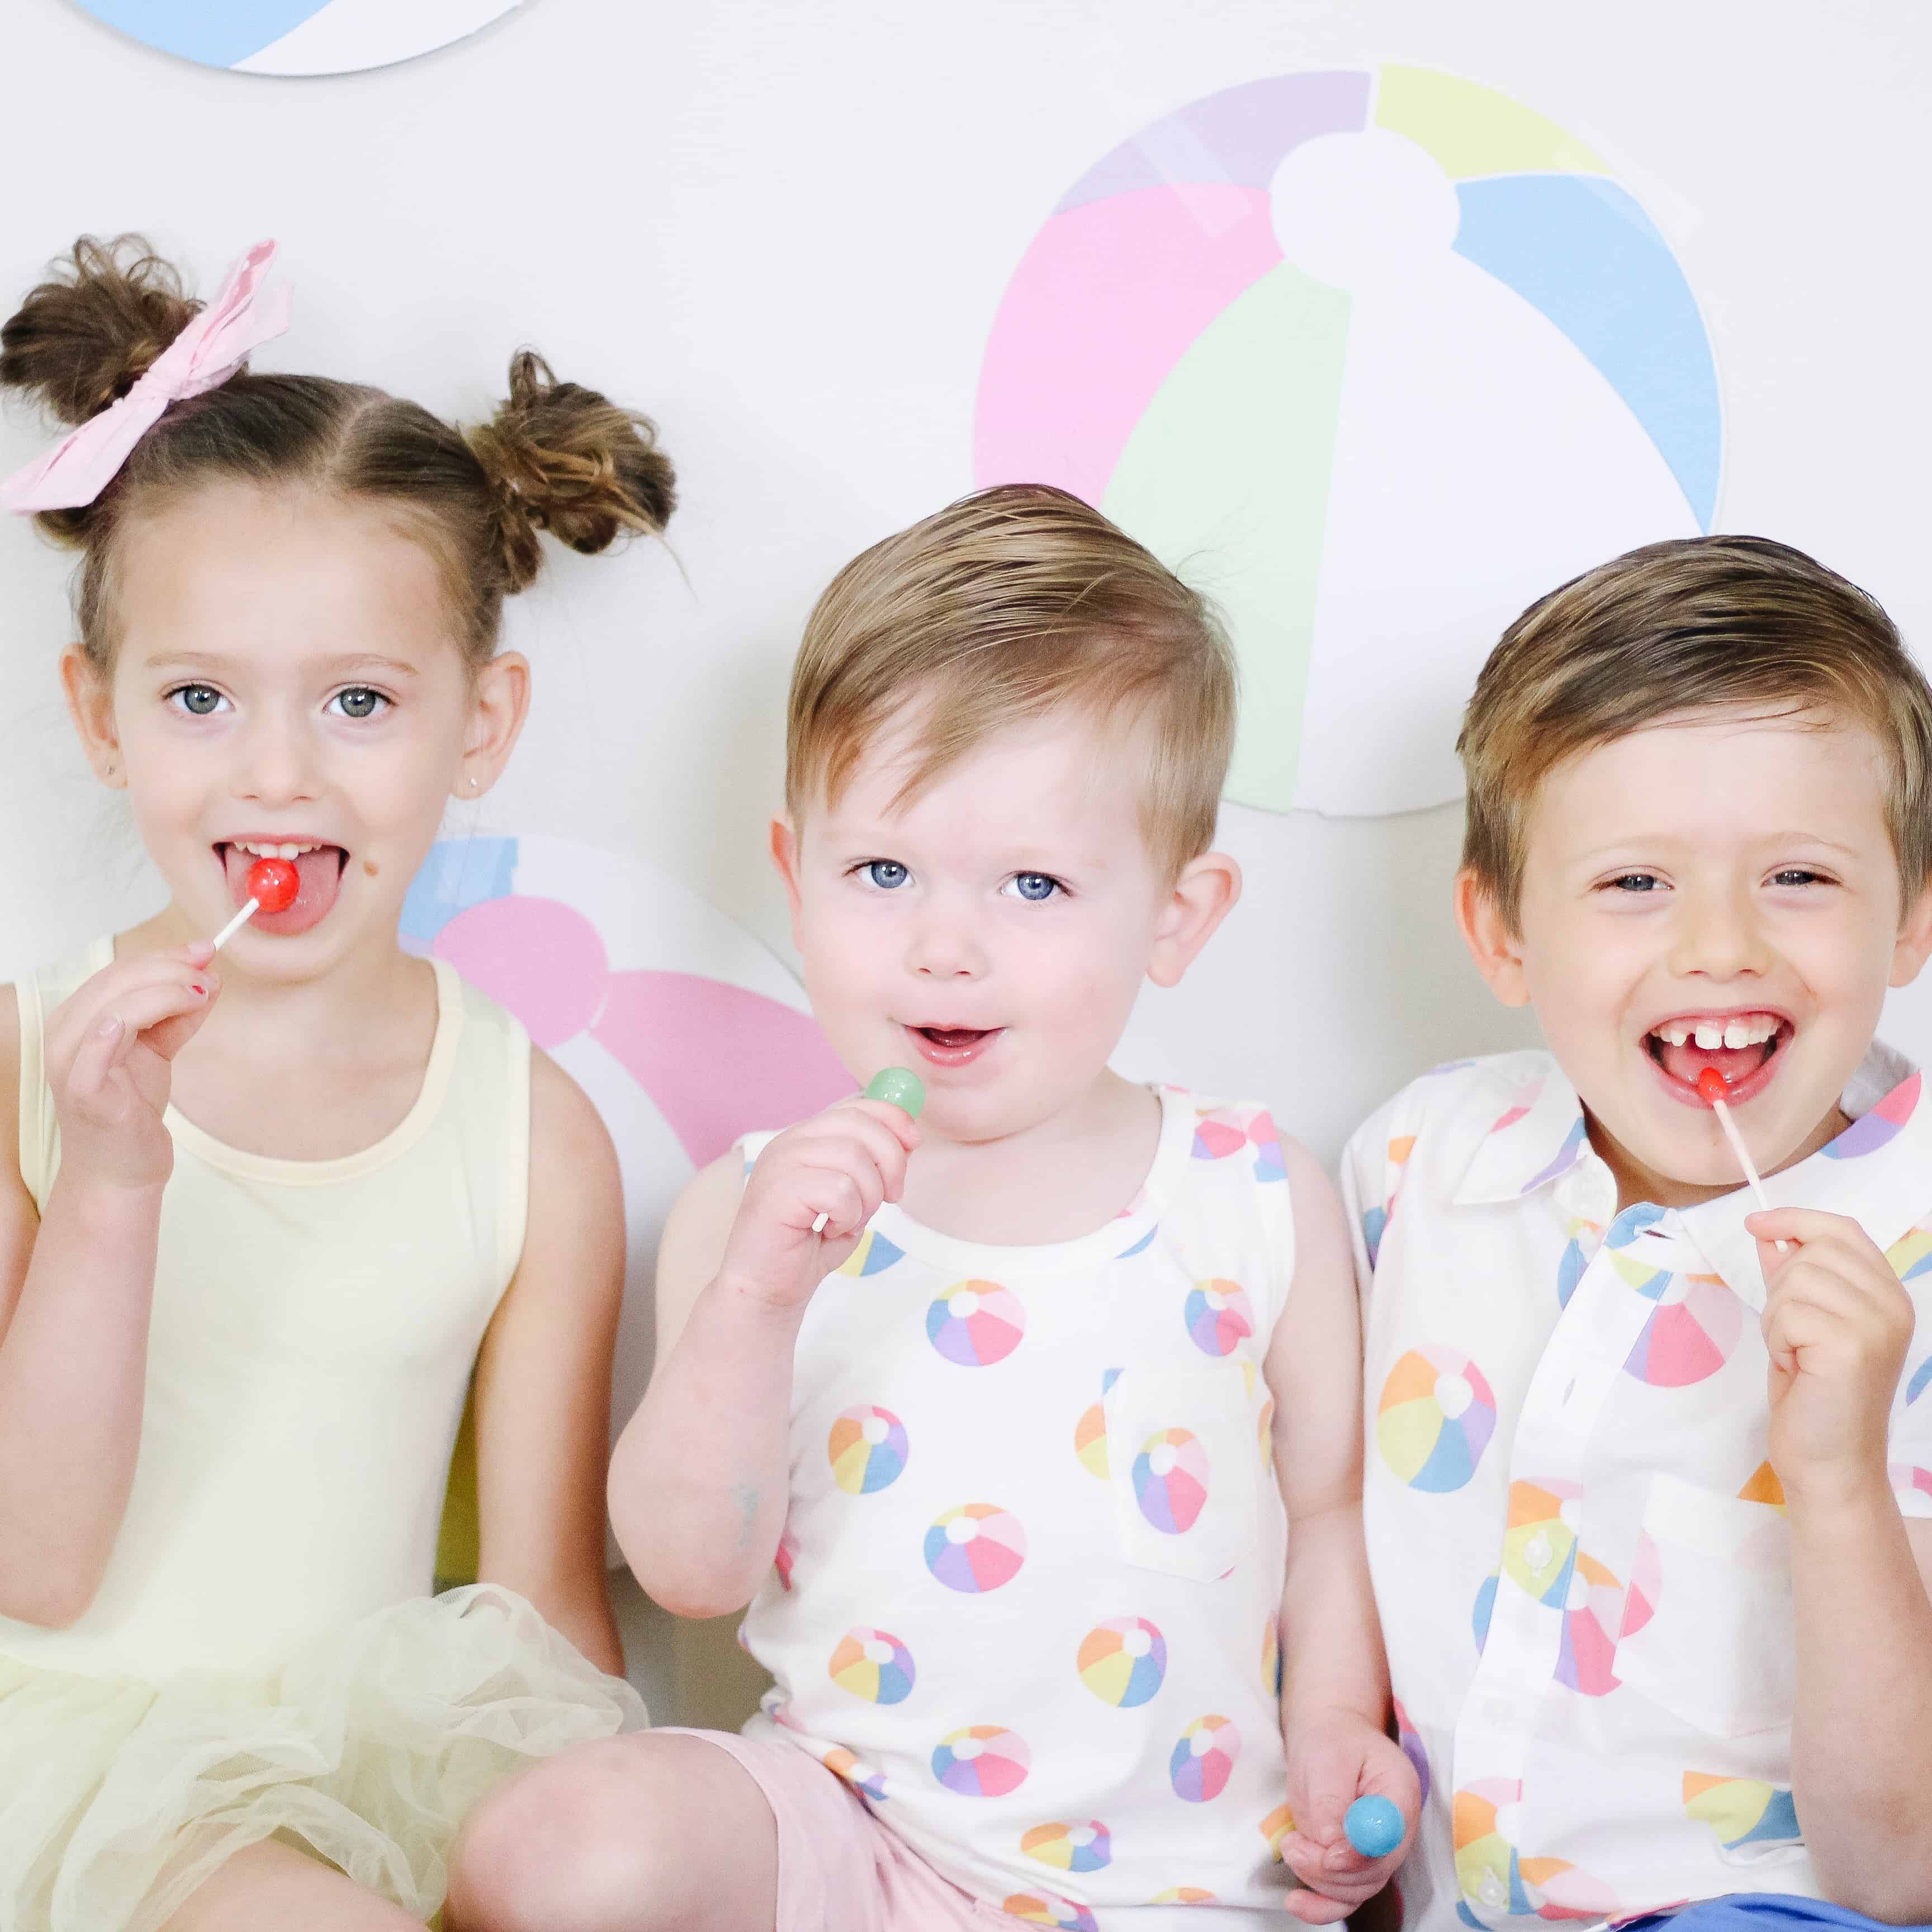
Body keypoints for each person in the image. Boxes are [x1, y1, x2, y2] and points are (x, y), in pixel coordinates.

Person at [448, 484, 1419, 1932]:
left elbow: (1333, 1514)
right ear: (796, 875)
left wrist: (1342, 1728)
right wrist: (753, 1303)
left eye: (1034, 883)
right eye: (883, 871)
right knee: (563, 1845)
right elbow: (688, 1575)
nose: (945, 948)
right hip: (851, 1838)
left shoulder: (1252, 1196)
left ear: (1177, 912)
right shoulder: (755, 1209)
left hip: (1184, 1888)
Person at [0, 235, 676, 1931]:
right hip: (63, 1776)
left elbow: (539, 1622)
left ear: (481, 725)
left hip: (363, 1786)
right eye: (201, 698)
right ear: (100, 719)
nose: (279, 771)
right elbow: (35, 1563)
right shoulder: (21, 1058)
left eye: (361, 701)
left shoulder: (531, 1130)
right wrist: (108, 1179)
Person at [1343, 537, 1932, 1931]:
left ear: (1912, 915)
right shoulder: (1417, 1169)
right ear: (1500, 935)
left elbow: (1904, 1878)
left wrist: (1837, 1483)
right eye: (1633, 884)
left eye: (1798, 877)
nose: (1720, 945)